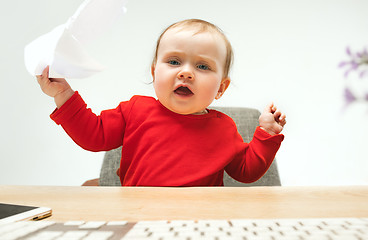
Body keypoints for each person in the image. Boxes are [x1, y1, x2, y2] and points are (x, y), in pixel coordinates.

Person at [36, 19, 286, 186]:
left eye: (202, 66)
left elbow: (246, 171)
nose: (186, 73)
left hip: (203, 221)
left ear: (221, 88)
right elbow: (93, 135)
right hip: (138, 216)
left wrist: (267, 133)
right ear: (155, 73)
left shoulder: (225, 128)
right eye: (174, 61)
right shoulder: (135, 110)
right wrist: (63, 94)